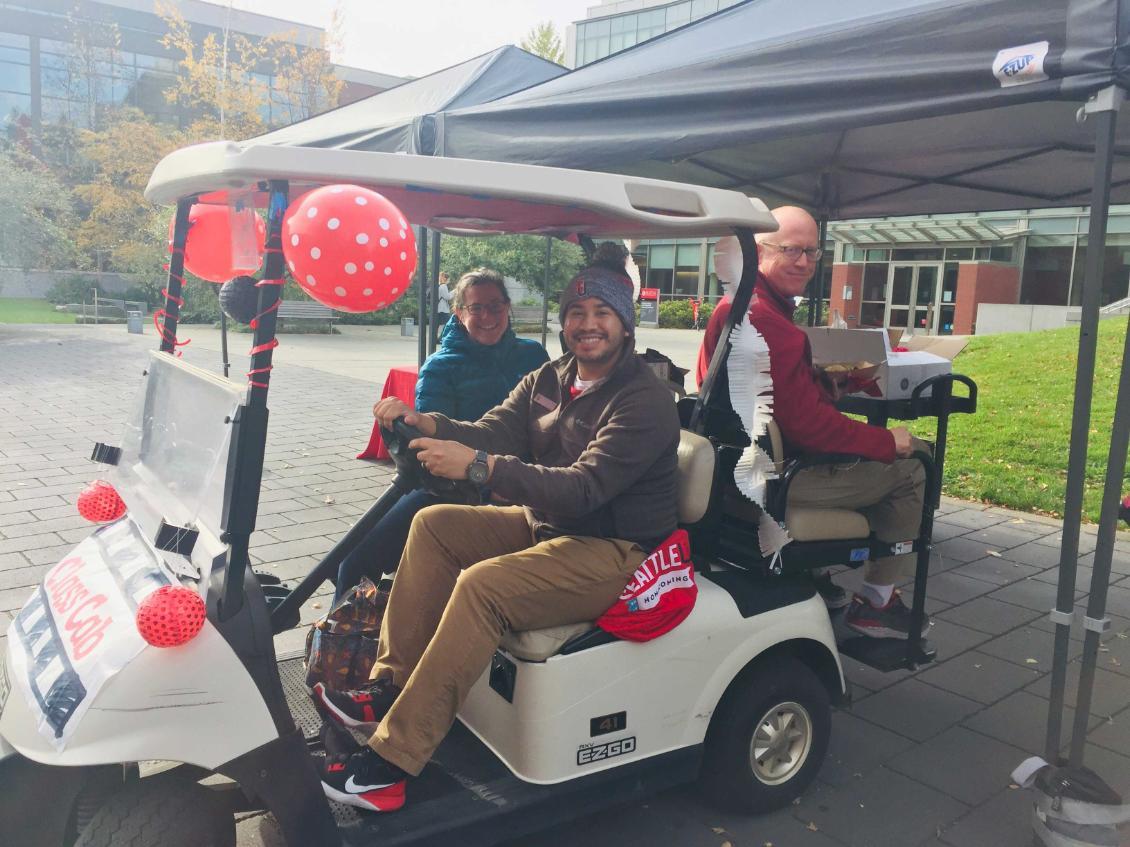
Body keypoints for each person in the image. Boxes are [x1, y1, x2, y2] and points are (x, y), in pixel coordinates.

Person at [315, 243, 681, 812]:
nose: (587, 326)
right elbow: (491, 431)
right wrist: (428, 421)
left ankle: (391, 765)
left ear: (625, 325)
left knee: (482, 586)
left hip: (617, 549)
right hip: (553, 527)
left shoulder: (644, 399)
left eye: (601, 315)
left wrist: (481, 469)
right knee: (435, 525)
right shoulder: (550, 378)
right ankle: (390, 688)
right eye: (576, 315)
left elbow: (584, 488)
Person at [696, 206, 928, 640]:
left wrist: (820, 385)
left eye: (811, 252)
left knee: (882, 458)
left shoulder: (732, 306)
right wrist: (886, 442)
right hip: (775, 479)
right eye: (790, 250)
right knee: (915, 465)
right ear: (760, 252)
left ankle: (817, 573)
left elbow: (767, 397)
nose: (803, 262)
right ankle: (877, 599)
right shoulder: (770, 322)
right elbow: (811, 430)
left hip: (730, 469)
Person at [336, 269, 548, 595]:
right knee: (353, 561)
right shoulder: (441, 366)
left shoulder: (533, 355)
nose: (488, 316)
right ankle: (346, 637)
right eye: (476, 308)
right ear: (459, 312)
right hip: (459, 484)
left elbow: (547, 425)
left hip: (523, 481)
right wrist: (487, 482)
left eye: (496, 305)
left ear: (508, 307)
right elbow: (438, 446)